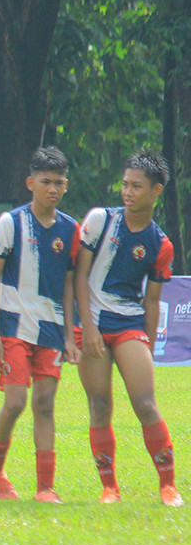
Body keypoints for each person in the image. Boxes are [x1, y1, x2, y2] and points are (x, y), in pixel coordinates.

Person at [75, 149, 182, 507]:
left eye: (137, 186)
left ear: (157, 191)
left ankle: (168, 485)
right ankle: (110, 488)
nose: (128, 192)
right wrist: (87, 325)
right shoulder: (98, 220)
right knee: (100, 404)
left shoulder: (161, 244)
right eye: (125, 185)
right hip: (92, 322)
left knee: (145, 403)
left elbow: (151, 300)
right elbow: (80, 275)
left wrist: (148, 345)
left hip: (128, 323)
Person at [0, 148, 80, 503]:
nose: (52, 188)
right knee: (15, 402)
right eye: (45, 182)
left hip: (52, 331)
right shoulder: (12, 223)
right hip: (13, 327)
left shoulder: (71, 229)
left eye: (58, 183)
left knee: (45, 404)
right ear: (30, 183)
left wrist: (71, 335)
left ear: (66, 185)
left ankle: (45, 487)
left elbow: (70, 285)